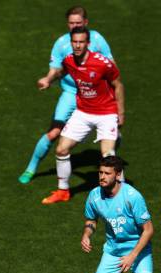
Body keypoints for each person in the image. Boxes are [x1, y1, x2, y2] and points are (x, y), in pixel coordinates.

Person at [19, 6, 114, 185]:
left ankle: (112, 178)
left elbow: (111, 65)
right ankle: (31, 168)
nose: (74, 26)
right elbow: (55, 69)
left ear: (86, 23)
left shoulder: (97, 40)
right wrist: (47, 79)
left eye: (78, 23)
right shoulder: (62, 44)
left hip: (95, 97)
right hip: (71, 93)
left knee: (111, 138)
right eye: (71, 23)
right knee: (54, 132)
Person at [38, 26, 125, 204]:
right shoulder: (69, 60)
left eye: (81, 42)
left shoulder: (102, 63)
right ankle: (63, 191)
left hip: (106, 113)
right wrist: (48, 79)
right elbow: (61, 72)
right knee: (61, 149)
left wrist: (120, 113)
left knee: (108, 157)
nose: (77, 45)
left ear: (88, 43)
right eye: (75, 42)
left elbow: (118, 85)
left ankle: (120, 196)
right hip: (83, 112)